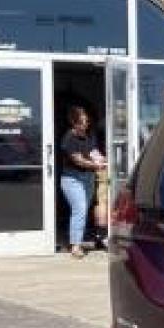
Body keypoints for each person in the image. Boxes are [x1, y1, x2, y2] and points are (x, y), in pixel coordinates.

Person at [59, 106, 106, 258]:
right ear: (74, 122)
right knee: (80, 208)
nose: (85, 124)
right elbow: (78, 160)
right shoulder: (69, 138)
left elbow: (93, 152)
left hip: (88, 178)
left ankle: (75, 240)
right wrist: (96, 165)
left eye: (86, 121)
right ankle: (76, 246)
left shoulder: (88, 136)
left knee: (82, 210)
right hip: (72, 179)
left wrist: (102, 160)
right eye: (82, 122)